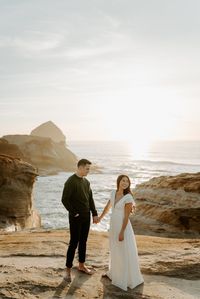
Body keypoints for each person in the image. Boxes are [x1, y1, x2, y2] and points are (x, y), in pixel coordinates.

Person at [98, 174, 144, 291]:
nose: (125, 183)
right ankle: (114, 273)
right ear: (118, 181)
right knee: (114, 249)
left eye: (127, 182)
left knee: (123, 251)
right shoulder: (113, 193)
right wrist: (100, 218)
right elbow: (108, 207)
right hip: (113, 225)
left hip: (123, 227)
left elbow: (126, 217)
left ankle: (124, 278)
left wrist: (122, 232)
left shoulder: (128, 197)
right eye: (123, 181)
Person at [61, 159, 98, 282]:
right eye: (87, 168)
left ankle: (81, 265)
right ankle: (68, 270)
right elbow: (65, 199)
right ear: (80, 167)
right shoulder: (70, 181)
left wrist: (94, 214)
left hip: (86, 216)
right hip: (75, 217)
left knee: (83, 241)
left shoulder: (86, 182)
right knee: (73, 242)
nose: (88, 171)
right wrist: (74, 212)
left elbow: (90, 199)